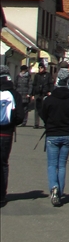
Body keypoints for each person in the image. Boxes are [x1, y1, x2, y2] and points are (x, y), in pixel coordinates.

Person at [41, 67, 69, 206]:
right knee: (62, 165)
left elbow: (43, 114)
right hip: (67, 134)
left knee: (52, 164)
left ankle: (54, 187)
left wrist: (49, 122)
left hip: (52, 134)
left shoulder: (49, 99)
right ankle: (60, 191)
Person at [0, 64, 24, 207]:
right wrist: (12, 122)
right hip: (6, 134)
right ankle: (2, 195)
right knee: (3, 164)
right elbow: (20, 116)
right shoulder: (14, 93)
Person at [31, 62, 53, 129]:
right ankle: (36, 124)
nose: (40, 69)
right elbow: (34, 85)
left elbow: (51, 84)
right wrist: (32, 94)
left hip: (45, 94)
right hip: (37, 93)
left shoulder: (48, 75)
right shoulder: (37, 75)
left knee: (45, 109)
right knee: (37, 109)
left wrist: (50, 91)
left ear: (44, 68)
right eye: (39, 68)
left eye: (41, 68)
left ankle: (45, 122)